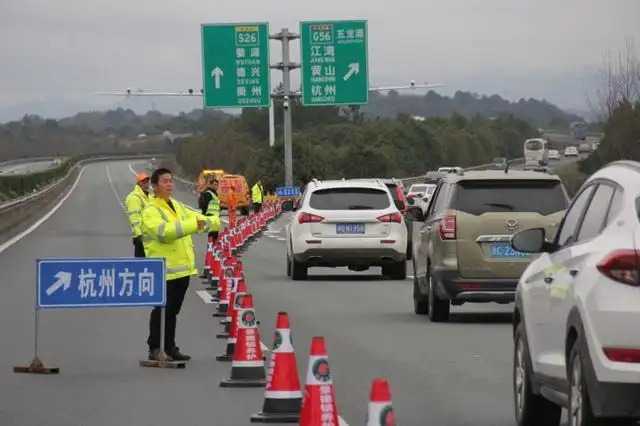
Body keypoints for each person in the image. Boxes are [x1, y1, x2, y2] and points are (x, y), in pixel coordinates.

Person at [142, 168, 220, 361]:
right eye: (164, 181)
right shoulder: (151, 210)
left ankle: (170, 347)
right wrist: (195, 225)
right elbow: (164, 232)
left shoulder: (176, 205)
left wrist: (212, 222)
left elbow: (195, 218)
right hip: (163, 270)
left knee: (173, 312)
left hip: (181, 270)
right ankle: (155, 348)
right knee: (162, 311)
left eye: (171, 181)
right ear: (154, 186)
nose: (169, 184)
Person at [125, 172, 150, 257]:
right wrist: (139, 235)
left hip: (149, 237)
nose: (146, 183)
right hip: (141, 238)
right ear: (139, 183)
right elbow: (134, 218)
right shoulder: (134, 198)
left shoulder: (147, 196)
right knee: (141, 265)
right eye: (143, 181)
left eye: (147, 181)